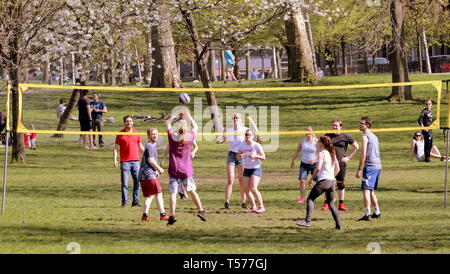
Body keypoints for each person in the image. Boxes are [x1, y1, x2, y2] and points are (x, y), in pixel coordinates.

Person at [165, 110, 206, 225]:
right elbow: (196, 126)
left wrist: (173, 116)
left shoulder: (172, 138)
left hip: (174, 170)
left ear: (177, 129)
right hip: (186, 171)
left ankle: (172, 216)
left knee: (173, 193)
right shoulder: (189, 138)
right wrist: (188, 116)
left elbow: (168, 124)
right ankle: (201, 210)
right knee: (192, 191)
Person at [297, 135, 341, 230]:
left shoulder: (322, 153)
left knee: (310, 199)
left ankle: (307, 221)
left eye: (318, 142)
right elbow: (338, 168)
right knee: (331, 204)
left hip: (324, 181)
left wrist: (312, 178)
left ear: (321, 143)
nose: (317, 143)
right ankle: (339, 225)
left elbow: (318, 167)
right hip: (332, 181)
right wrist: (332, 176)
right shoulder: (332, 153)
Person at [216, 112, 251, 210]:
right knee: (230, 178)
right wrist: (222, 131)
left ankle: (243, 202)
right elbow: (221, 141)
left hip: (241, 155)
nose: (235, 118)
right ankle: (227, 202)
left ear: (240, 119)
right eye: (234, 117)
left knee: (241, 180)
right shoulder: (229, 130)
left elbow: (251, 139)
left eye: (237, 117)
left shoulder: (245, 130)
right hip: (231, 154)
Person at [324, 120, 359, 211]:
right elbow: (320, 145)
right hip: (329, 163)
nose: (334, 127)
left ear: (341, 126)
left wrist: (348, 157)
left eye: (336, 126)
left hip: (340, 163)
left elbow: (356, 147)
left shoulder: (346, 136)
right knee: (326, 182)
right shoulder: (328, 135)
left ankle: (341, 204)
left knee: (340, 183)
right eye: (333, 126)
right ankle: (326, 203)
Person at [113, 115, 145, 208]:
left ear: (133, 122)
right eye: (127, 121)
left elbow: (140, 146)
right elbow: (115, 148)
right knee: (125, 184)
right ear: (124, 123)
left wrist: (148, 154)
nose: (129, 123)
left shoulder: (136, 133)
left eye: (130, 121)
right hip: (125, 162)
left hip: (136, 162)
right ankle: (124, 202)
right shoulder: (120, 134)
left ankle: (135, 201)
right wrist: (115, 160)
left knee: (137, 182)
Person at [138, 128, 170, 222]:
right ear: (148, 136)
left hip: (144, 174)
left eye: (156, 134)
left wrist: (155, 171)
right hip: (147, 174)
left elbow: (149, 161)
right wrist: (159, 168)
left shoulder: (151, 146)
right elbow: (150, 160)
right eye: (153, 134)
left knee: (151, 195)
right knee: (158, 193)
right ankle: (163, 215)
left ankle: (145, 216)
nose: (155, 135)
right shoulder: (150, 146)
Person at [355, 116, 381, 221]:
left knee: (365, 190)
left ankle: (367, 214)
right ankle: (377, 211)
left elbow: (363, 154)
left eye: (362, 123)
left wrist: (359, 169)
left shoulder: (365, 137)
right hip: (378, 166)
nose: (360, 125)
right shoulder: (374, 136)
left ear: (367, 125)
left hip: (370, 166)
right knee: (370, 191)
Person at [237, 129, 266, 214]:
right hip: (247, 168)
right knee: (246, 189)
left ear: (253, 136)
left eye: (249, 135)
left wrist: (255, 156)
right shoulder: (242, 145)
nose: (247, 136)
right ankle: (253, 206)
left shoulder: (256, 145)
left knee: (253, 188)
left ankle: (261, 206)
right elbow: (238, 157)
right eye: (246, 135)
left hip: (256, 168)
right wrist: (240, 156)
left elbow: (264, 157)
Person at [290, 126, 318, 204]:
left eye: (309, 131)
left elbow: (320, 153)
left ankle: (326, 198)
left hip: (315, 164)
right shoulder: (302, 141)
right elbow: (297, 151)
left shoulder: (316, 141)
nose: (308, 132)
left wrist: (314, 159)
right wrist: (293, 160)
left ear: (313, 132)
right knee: (302, 180)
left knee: (319, 181)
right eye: (307, 131)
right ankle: (302, 198)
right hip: (304, 164)